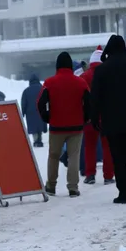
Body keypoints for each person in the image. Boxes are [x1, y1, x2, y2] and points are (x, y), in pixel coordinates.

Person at [91, 35, 126, 204]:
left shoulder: (101, 70)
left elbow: (95, 98)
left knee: (118, 157)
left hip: (112, 122)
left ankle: (124, 193)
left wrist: (94, 118)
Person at [37, 51, 90, 198]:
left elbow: (40, 103)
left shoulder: (49, 82)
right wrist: (85, 118)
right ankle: (73, 187)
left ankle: (51, 186)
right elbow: (89, 103)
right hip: (76, 127)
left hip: (56, 127)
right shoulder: (81, 82)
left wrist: (47, 117)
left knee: (53, 156)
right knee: (74, 156)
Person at [80, 45, 114, 185]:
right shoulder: (108, 74)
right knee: (107, 147)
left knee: (89, 146)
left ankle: (90, 175)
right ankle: (108, 176)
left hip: (88, 117)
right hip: (106, 116)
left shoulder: (83, 76)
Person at [21, 74, 46, 148]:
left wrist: (22, 113)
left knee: (33, 127)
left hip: (30, 113)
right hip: (41, 111)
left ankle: (36, 141)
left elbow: (24, 103)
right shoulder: (43, 89)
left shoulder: (26, 91)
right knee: (40, 125)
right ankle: (40, 140)